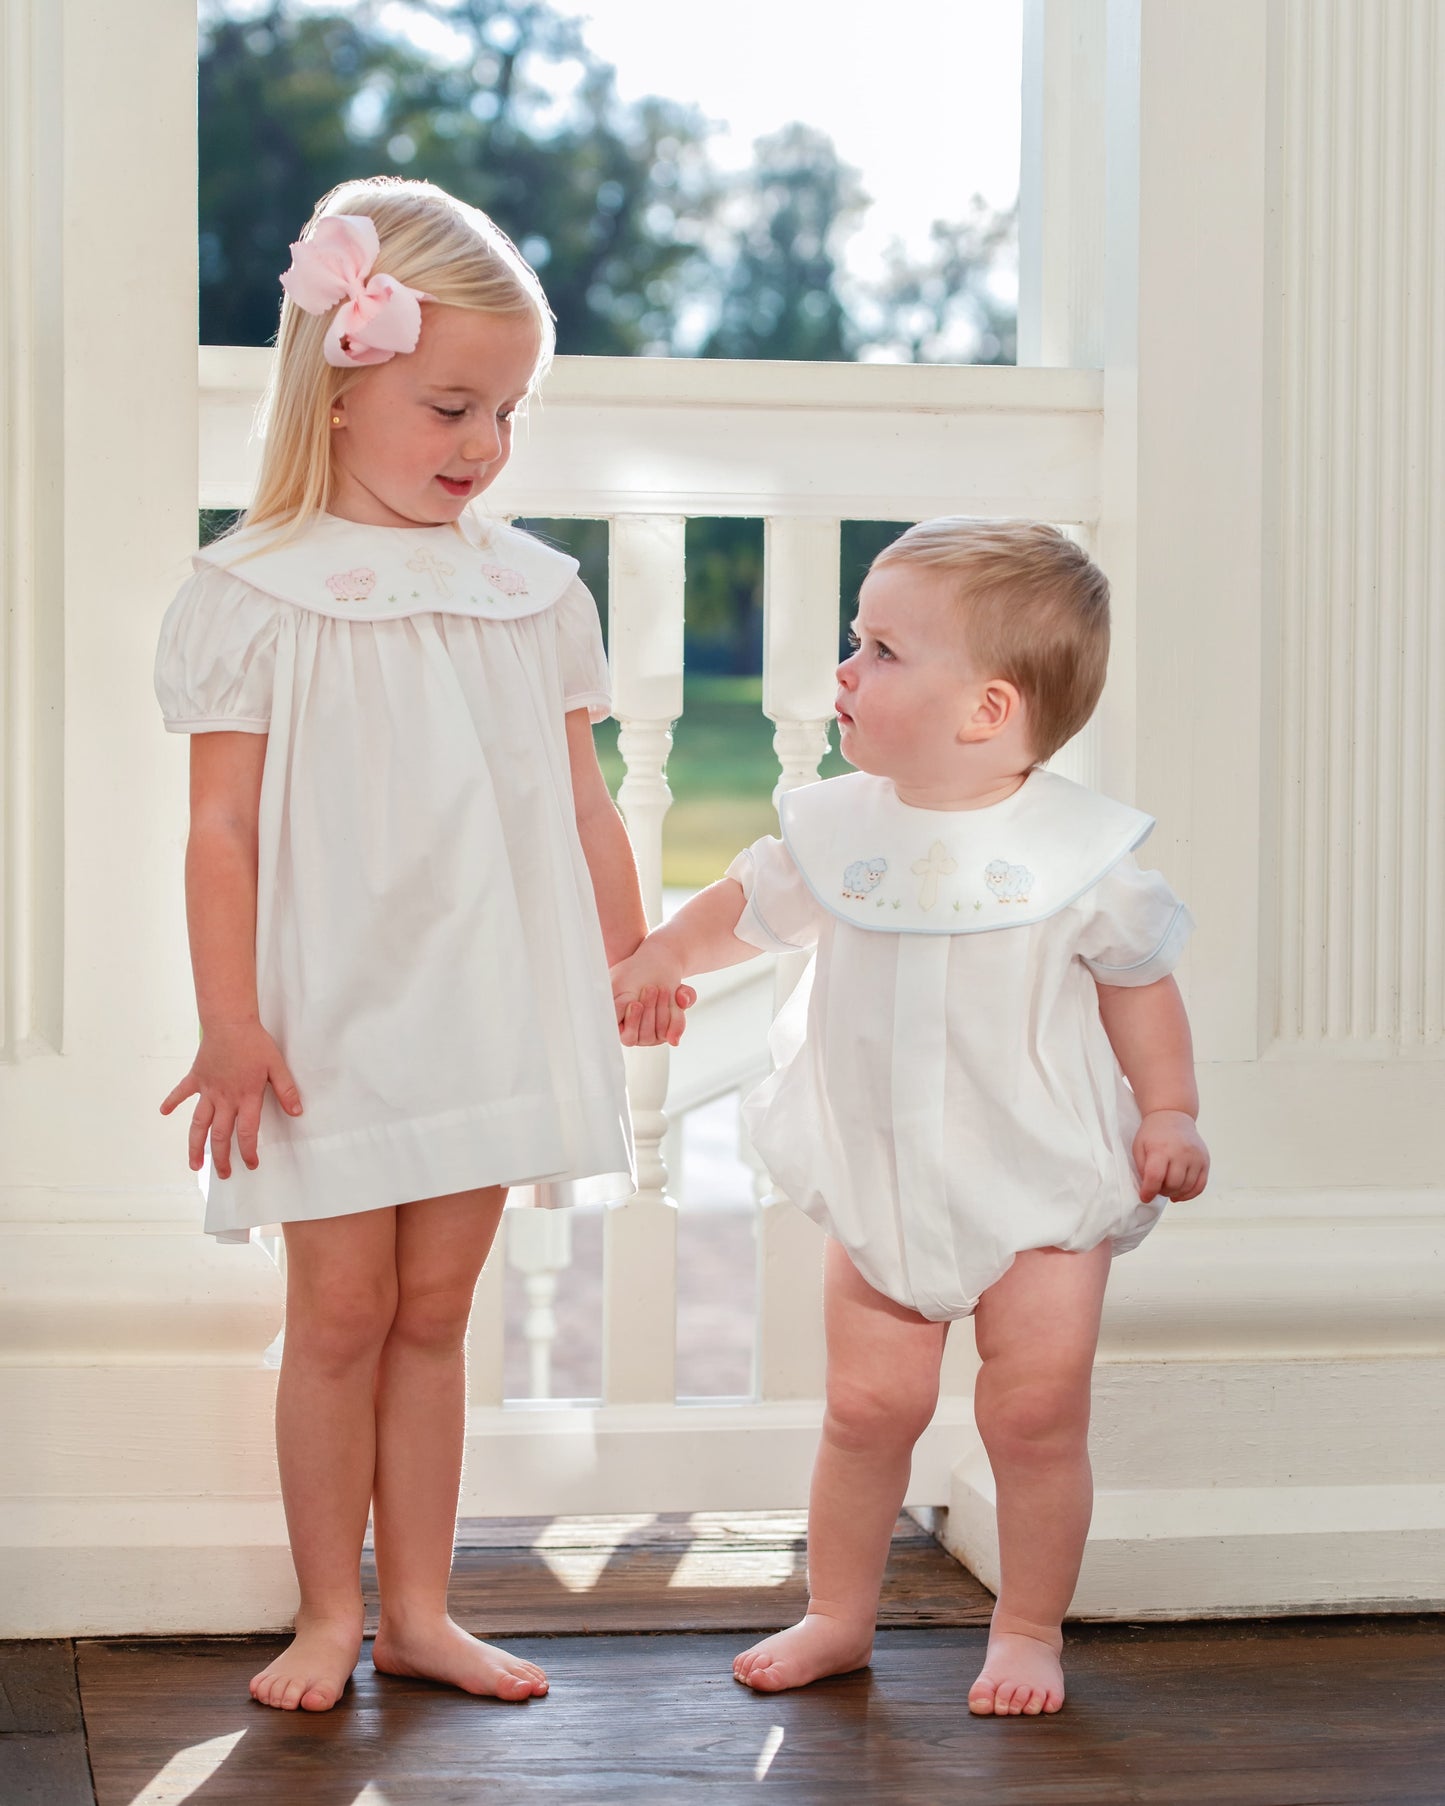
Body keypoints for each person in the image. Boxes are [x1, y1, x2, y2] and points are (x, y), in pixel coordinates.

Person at [155, 178, 680, 1712]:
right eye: (453, 403)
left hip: (486, 1008)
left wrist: (629, 949)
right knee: (337, 1313)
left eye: (507, 413)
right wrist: (229, 1020)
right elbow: (223, 833)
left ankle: (426, 1611)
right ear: (337, 380)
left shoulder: (534, 592)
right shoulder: (250, 593)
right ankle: (329, 1612)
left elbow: (585, 805)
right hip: (327, 1024)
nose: (482, 445)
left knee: (441, 1315)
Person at [610, 518, 1209, 1716]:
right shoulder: (837, 830)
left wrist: (1170, 1110)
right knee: (864, 1409)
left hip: (1039, 1189)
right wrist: (663, 954)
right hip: (882, 1179)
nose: (844, 672)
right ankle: (838, 1612)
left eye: (880, 651)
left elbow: (1139, 984)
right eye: (853, 640)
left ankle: (1028, 1627)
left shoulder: (1075, 855)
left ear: (984, 710)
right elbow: (745, 905)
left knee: (1033, 1414)